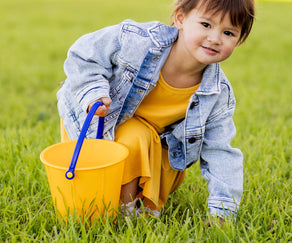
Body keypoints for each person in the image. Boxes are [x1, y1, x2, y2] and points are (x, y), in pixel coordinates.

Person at [57, 0, 255, 222]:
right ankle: (124, 212)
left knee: (146, 142)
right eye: (206, 25)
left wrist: (222, 212)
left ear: (238, 40)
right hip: (99, 127)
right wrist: (93, 93)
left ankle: (138, 202)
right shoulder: (137, 40)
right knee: (135, 135)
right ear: (180, 18)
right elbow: (83, 54)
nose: (215, 38)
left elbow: (220, 152)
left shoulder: (216, 93)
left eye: (228, 32)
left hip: (153, 148)